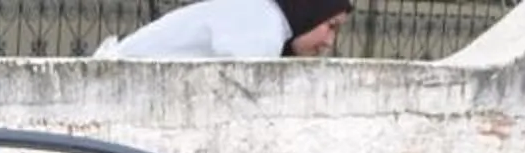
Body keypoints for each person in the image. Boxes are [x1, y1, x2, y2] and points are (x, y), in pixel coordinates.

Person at [95, 0, 349, 59]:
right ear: (310, 10)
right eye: (331, 26)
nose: (329, 41)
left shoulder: (261, 16)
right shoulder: (262, 27)